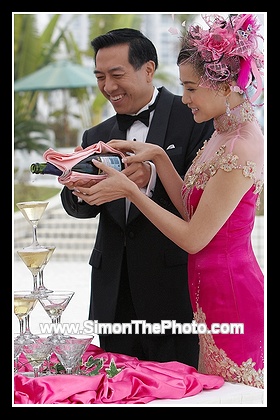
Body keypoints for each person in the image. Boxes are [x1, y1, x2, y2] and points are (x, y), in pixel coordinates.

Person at [71, 14, 265, 389]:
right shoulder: (222, 134)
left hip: (228, 291)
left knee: (226, 393)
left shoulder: (241, 142)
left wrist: (130, 191)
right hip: (198, 289)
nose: (185, 97)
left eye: (190, 88)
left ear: (224, 87)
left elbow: (194, 237)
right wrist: (159, 155)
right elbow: (191, 207)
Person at [60, 28, 214, 366]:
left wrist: (153, 179)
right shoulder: (95, 134)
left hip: (172, 292)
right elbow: (75, 206)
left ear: (148, 69)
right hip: (112, 293)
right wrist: (82, 192)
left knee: (179, 388)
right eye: (100, 76)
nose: (108, 87)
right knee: (117, 390)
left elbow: (202, 202)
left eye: (117, 74)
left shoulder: (195, 119)